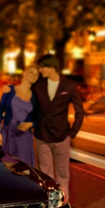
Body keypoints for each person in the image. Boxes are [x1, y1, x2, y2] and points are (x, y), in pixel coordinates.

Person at [32, 54, 84, 198]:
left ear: (52, 67)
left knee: (62, 174)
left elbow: (80, 111)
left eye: (42, 67)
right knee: (45, 174)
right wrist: (9, 89)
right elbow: (26, 97)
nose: (40, 70)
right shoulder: (38, 85)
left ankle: (62, 203)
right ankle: (50, 204)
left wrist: (73, 133)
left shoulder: (69, 85)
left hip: (61, 136)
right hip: (42, 136)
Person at [0, 65, 39, 166]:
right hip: (8, 133)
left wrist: (31, 124)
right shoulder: (9, 90)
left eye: (36, 75)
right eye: (31, 72)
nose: (34, 75)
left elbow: (37, 120)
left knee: (23, 170)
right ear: (24, 72)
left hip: (24, 137)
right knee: (6, 167)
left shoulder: (35, 98)